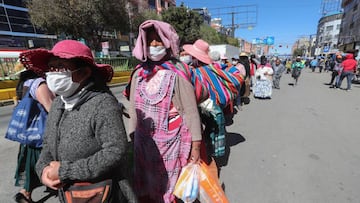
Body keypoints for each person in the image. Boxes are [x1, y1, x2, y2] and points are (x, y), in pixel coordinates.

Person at [19, 39, 133, 203]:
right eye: (51, 68)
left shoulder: (103, 103)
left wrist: (65, 171)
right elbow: (48, 144)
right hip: (69, 194)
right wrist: (43, 170)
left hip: (103, 194)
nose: (53, 73)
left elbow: (115, 151)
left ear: (84, 73)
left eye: (60, 67)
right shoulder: (58, 103)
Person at [125, 20, 203, 203]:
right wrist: (132, 136)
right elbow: (133, 108)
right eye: (149, 40)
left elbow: (191, 111)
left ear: (168, 42)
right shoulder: (138, 73)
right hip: (144, 144)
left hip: (172, 144)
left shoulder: (178, 71)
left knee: (170, 187)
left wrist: (196, 145)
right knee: (147, 188)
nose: (153, 45)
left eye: (158, 40)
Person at [12, 68, 54, 203]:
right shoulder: (39, 84)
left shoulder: (24, 84)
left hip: (29, 134)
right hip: (41, 135)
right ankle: (25, 193)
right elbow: (51, 110)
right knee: (43, 163)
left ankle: (25, 193)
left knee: (31, 164)